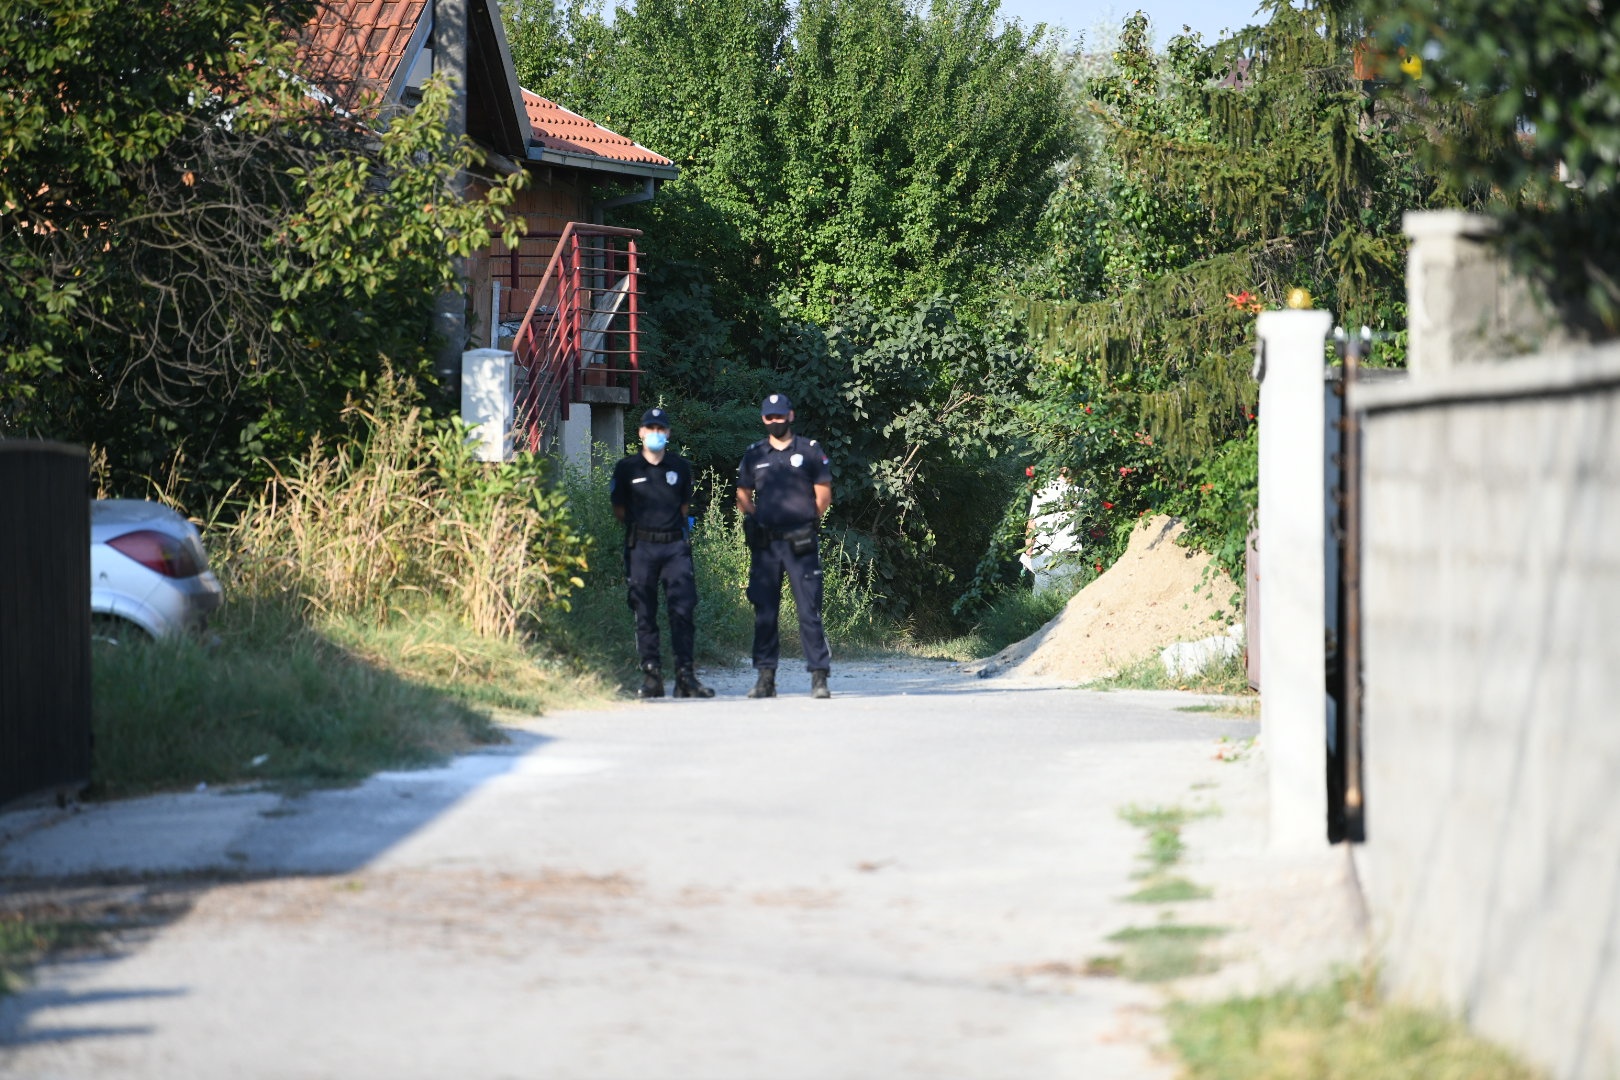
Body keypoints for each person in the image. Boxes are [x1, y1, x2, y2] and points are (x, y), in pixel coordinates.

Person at [610, 407, 714, 700]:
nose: (655, 433)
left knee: (682, 609)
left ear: (667, 433)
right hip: (641, 546)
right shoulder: (627, 468)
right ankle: (652, 676)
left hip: (674, 547)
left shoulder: (679, 467)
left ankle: (685, 677)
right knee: (644, 611)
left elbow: (683, 508)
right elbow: (618, 508)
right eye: (650, 428)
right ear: (641, 432)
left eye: (660, 428)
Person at [735, 393, 834, 699]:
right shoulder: (754, 454)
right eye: (769, 417)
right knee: (765, 610)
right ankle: (766, 678)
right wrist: (757, 519)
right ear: (764, 419)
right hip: (766, 545)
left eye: (780, 416)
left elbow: (824, 494)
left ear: (790, 416)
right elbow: (742, 495)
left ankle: (819, 677)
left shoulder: (809, 450)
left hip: (800, 542)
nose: (775, 421)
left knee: (809, 609)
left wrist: (806, 519)